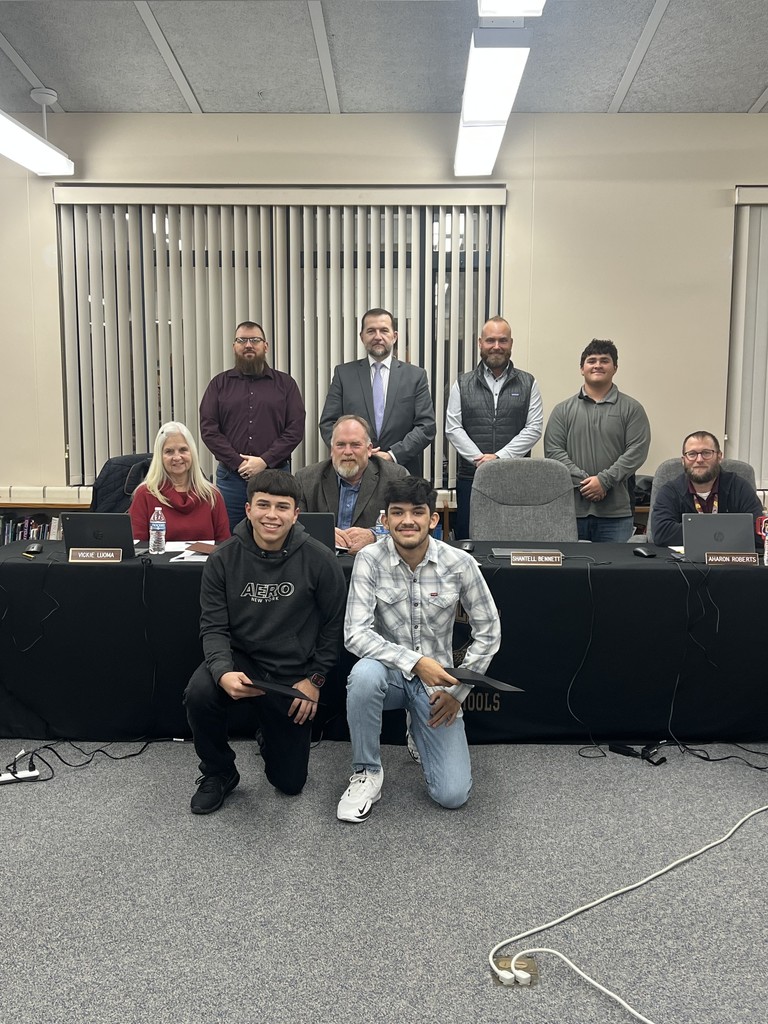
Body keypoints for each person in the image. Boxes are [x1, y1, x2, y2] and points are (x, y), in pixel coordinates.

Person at [337, 476, 501, 823]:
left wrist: (458, 692)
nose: (407, 521)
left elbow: (489, 631)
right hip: (388, 676)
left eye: (417, 512)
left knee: (452, 795)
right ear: (385, 520)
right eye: (397, 512)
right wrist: (415, 662)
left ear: (433, 519)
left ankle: (419, 731)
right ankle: (367, 772)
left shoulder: (459, 563)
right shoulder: (369, 559)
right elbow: (355, 634)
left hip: (437, 687)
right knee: (363, 675)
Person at [184, 469, 346, 815]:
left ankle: (269, 735)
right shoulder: (222, 559)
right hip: (241, 661)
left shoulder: (320, 559)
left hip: (292, 672)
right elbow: (213, 627)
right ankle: (219, 771)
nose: (272, 515)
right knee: (199, 692)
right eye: (263, 505)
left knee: (290, 783)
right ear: (248, 509)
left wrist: (315, 679)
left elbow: (334, 626)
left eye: (282, 507)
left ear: (296, 514)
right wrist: (222, 672)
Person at [199, 321, 305, 531]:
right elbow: (209, 430)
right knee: (230, 535)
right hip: (231, 478)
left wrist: (264, 461)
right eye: (242, 340)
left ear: (265, 346)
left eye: (254, 340)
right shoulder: (219, 384)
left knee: (276, 533)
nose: (248, 345)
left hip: (276, 474)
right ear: (234, 346)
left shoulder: (286, 384)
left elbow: (295, 429)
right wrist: (239, 463)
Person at [445, 316, 543, 539]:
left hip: (515, 477)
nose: (496, 346)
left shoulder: (528, 382)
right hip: (472, 478)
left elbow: (534, 428)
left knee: (515, 538)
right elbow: (453, 428)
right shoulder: (462, 383)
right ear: (480, 343)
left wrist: (499, 458)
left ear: (511, 343)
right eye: (490, 340)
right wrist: (480, 460)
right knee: (470, 540)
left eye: (502, 340)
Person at [544, 339, 651, 542]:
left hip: (616, 514)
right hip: (571, 511)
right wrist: (586, 483)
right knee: (570, 563)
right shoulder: (562, 410)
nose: (598, 365)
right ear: (581, 369)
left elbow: (637, 451)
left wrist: (604, 481)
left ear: (615, 368)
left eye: (604, 360)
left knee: (615, 563)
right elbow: (553, 451)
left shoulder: (632, 409)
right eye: (591, 360)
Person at [318, 308, 436, 477]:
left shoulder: (415, 376)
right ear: (362, 337)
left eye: (384, 330)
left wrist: (393, 455)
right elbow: (328, 423)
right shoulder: (343, 375)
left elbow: (426, 426)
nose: (378, 336)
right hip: (355, 472)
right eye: (371, 331)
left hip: (402, 471)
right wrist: (356, 451)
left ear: (394, 336)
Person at [295, 414, 409, 554]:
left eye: (355, 445)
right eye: (340, 445)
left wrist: (374, 535)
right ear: (331, 450)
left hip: (374, 560)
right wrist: (322, 534)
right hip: (322, 559)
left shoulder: (395, 477)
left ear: (369, 449)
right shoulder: (306, 479)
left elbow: (408, 523)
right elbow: (293, 524)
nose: (347, 452)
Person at [652, 431, 763, 547]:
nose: (699, 459)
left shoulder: (739, 487)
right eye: (692, 454)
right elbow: (661, 533)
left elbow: (759, 532)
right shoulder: (670, 491)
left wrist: (696, 531)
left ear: (719, 456)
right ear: (683, 460)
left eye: (706, 453)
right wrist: (723, 532)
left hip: (730, 557)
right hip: (686, 558)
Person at [128, 421, 230, 542]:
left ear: (192, 453)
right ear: (160, 457)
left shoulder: (212, 495)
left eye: (183, 450)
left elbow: (224, 545)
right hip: (158, 555)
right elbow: (137, 545)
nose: (177, 457)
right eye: (169, 451)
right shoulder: (145, 494)